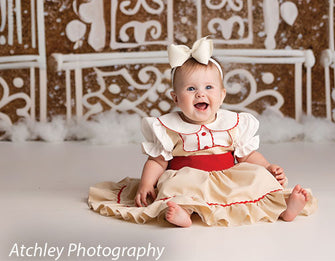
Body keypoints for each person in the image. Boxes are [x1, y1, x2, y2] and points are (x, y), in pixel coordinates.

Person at [88, 37, 317, 227]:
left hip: (227, 177)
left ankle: (284, 208)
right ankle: (183, 214)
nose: (200, 94)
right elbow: (157, 160)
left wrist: (267, 167)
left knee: (258, 179)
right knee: (173, 187)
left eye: (209, 87)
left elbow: (247, 156)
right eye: (191, 89)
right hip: (188, 177)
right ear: (176, 98)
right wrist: (147, 183)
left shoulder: (232, 123)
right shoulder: (168, 127)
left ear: (222, 95)